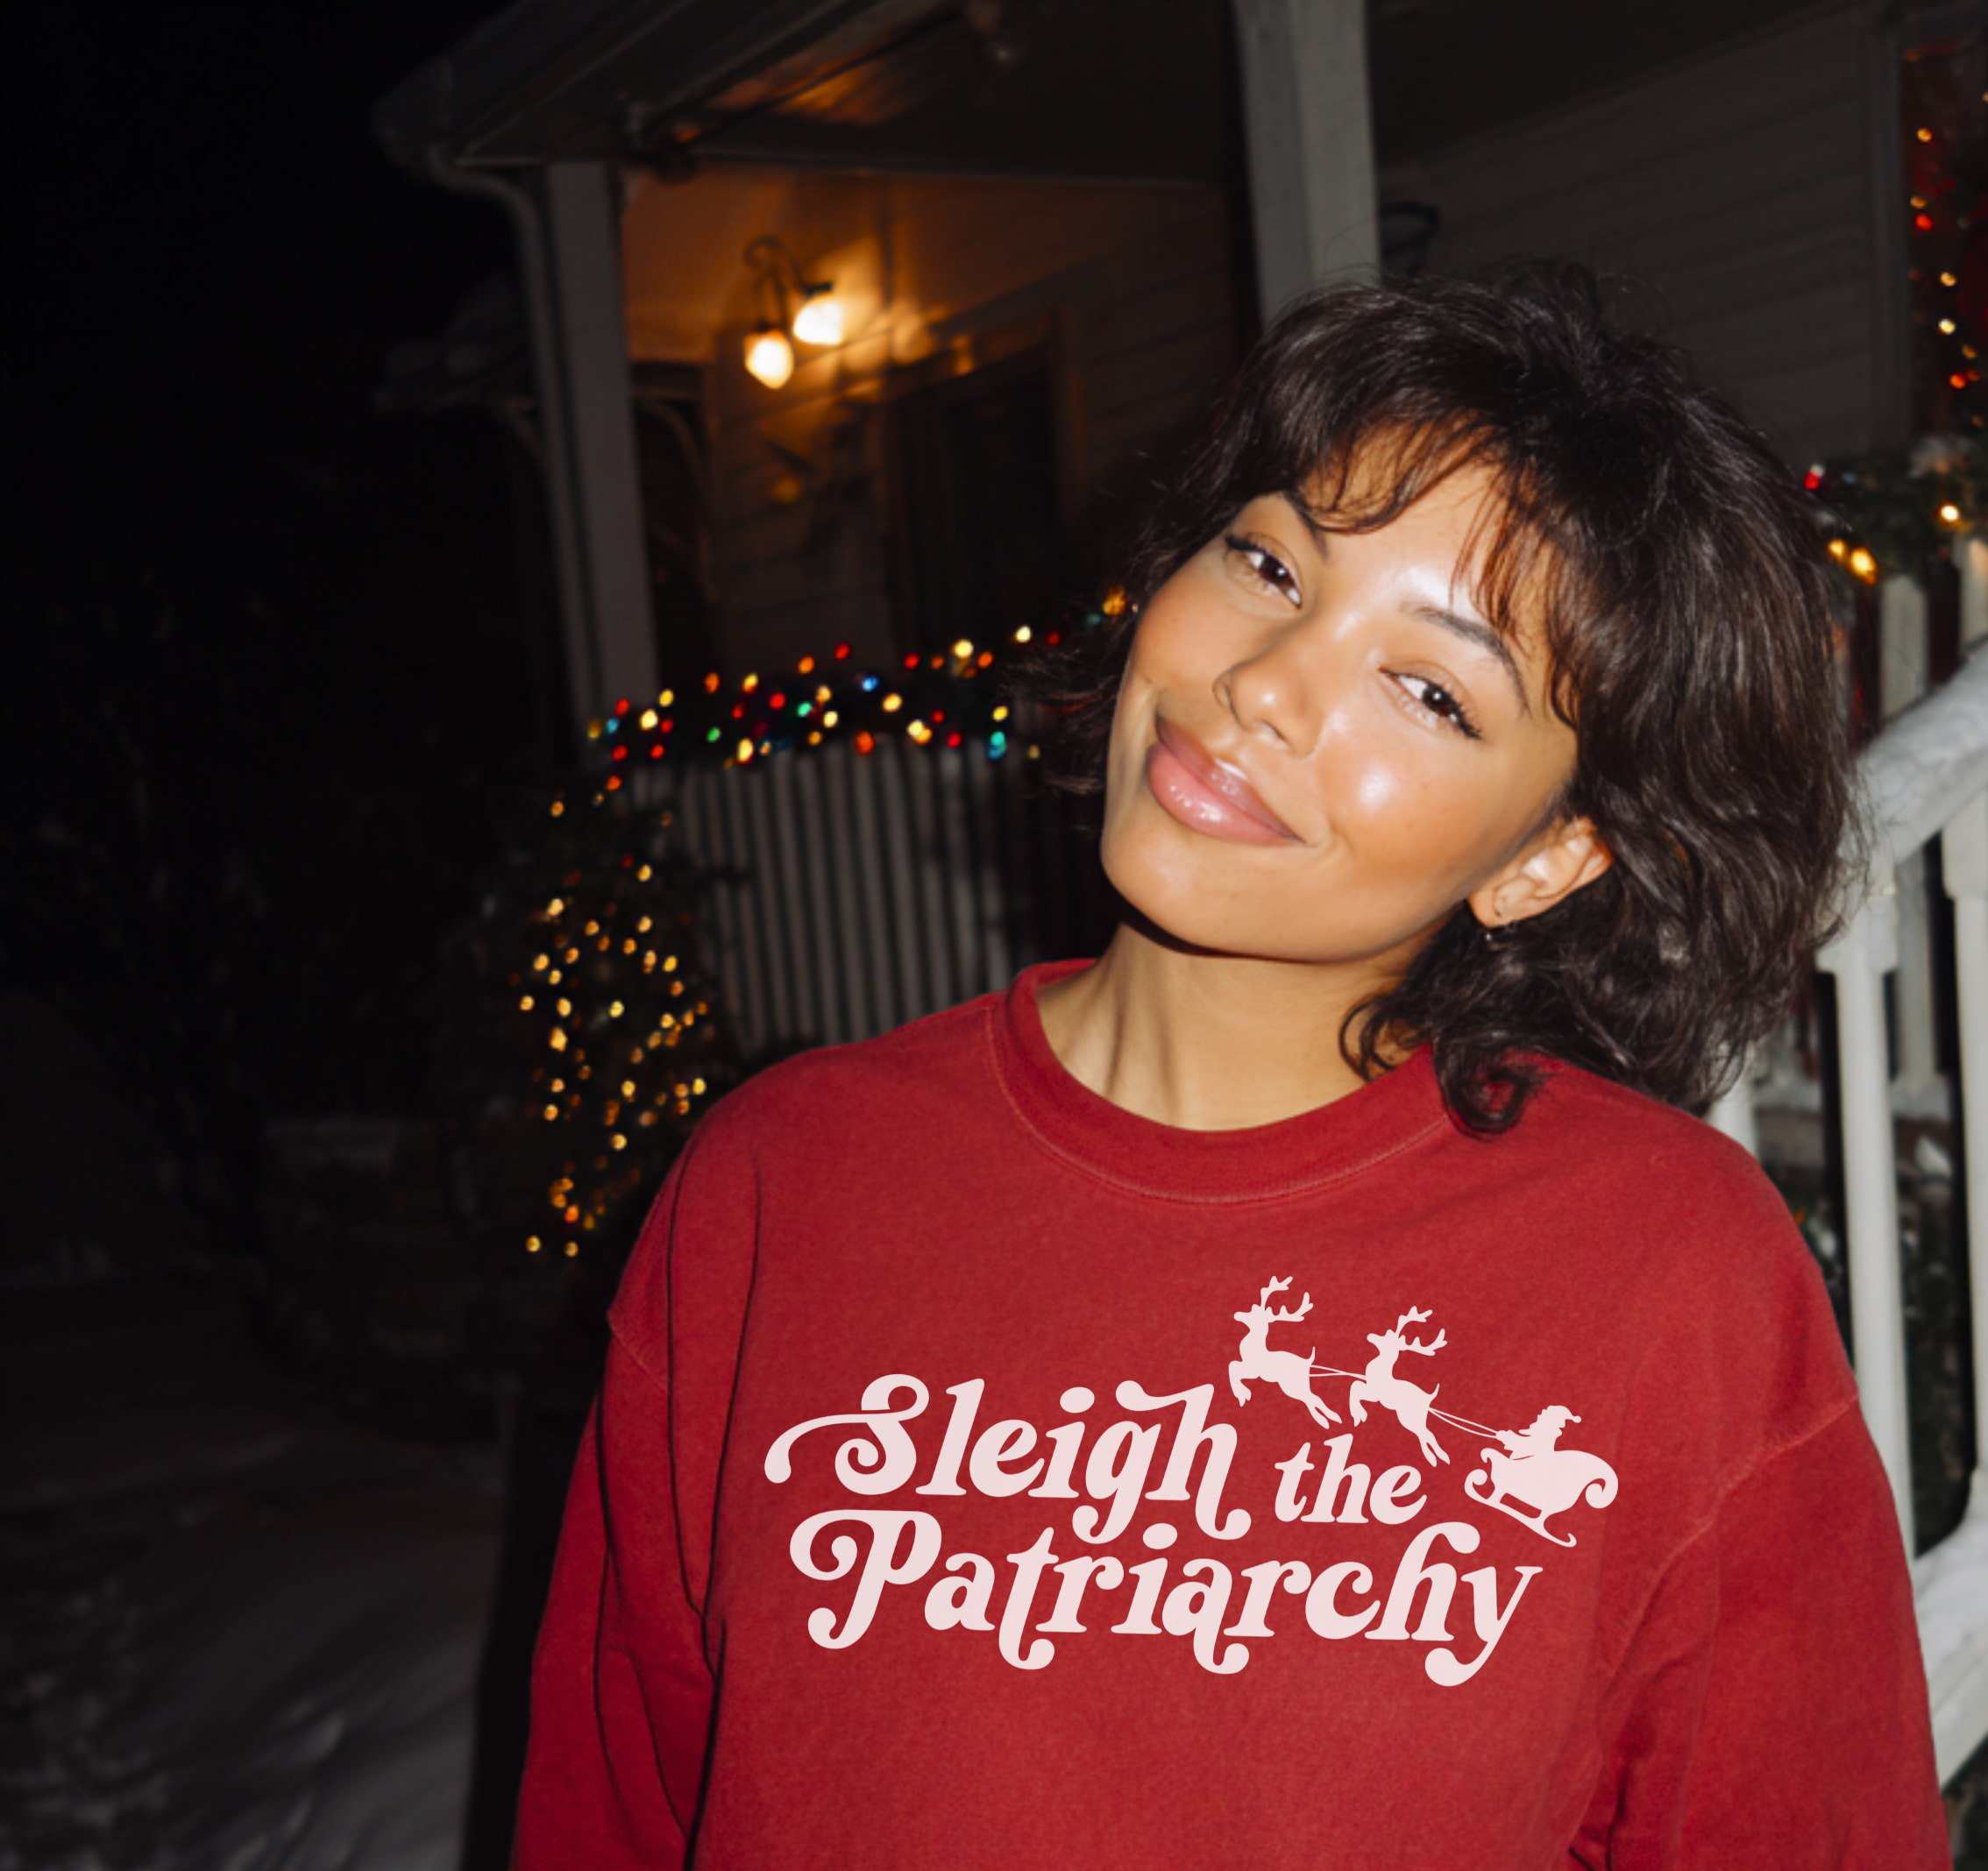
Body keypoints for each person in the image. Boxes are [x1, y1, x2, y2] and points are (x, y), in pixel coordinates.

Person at [514, 267, 1946, 1867]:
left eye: (1429, 687)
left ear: (1545, 861)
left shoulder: (1674, 1274)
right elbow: (612, 1801)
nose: (1264, 685)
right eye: (1271, 561)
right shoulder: (781, 1179)